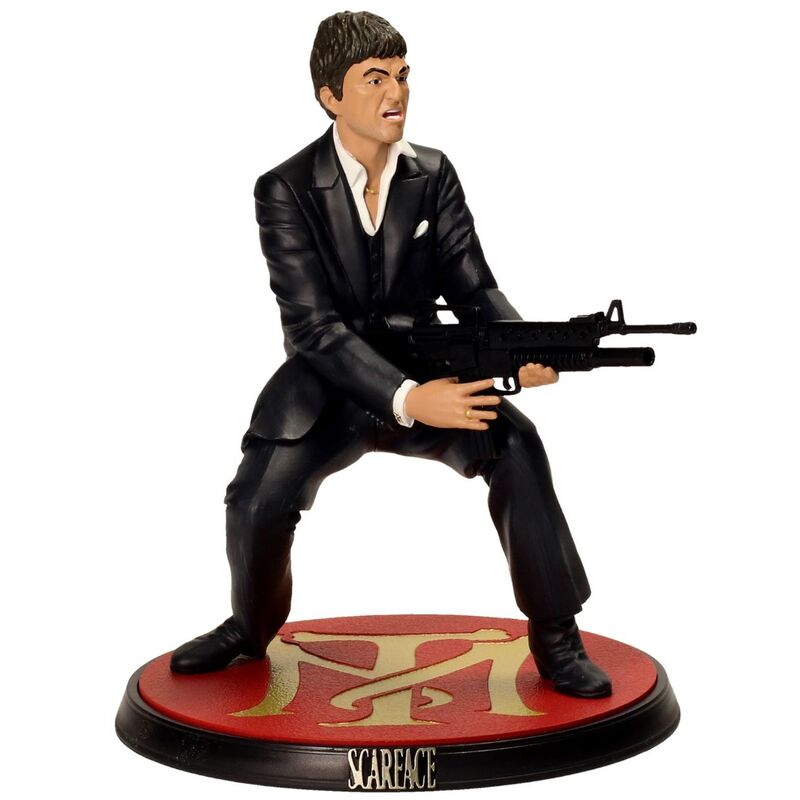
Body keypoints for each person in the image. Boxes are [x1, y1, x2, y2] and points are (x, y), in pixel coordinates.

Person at [170, 11, 611, 698]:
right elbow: (311, 328)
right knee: (256, 499)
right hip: (328, 385)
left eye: (402, 75)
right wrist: (408, 399)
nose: (395, 93)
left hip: (432, 367)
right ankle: (249, 629)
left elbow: (474, 287)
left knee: (518, 447)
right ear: (329, 95)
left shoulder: (432, 173)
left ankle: (557, 636)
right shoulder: (285, 188)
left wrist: (519, 347)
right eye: (373, 79)